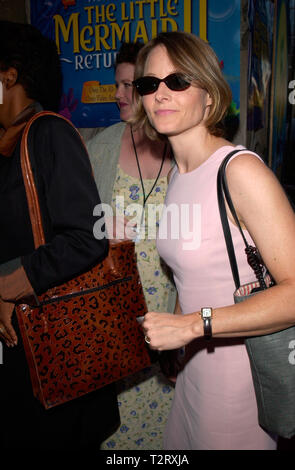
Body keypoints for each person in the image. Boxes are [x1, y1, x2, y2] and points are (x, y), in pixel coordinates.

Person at [132, 31, 295, 450]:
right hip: (193, 375)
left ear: (209, 95)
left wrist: (190, 325)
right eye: (149, 84)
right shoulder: (176, 174)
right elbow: (190, 273)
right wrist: (176, 339)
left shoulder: (239, 172)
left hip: (238, 380)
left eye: (178, 81)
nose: (161, 95)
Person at [0, 21, 119, 450]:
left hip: (54, 342)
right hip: (18, 342)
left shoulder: (49, 132)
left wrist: (7, 287)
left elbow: (88, 236)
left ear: (8, 75)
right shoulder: (7, 143)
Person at [86, 42, 177, 450]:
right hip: (113, 319)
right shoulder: (99, 148)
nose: (120, 95)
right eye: (117, 84)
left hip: (171, 319)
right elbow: (73, 232)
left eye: (129, 85)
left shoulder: (182, 150)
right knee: (114, 431)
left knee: (168, 433)